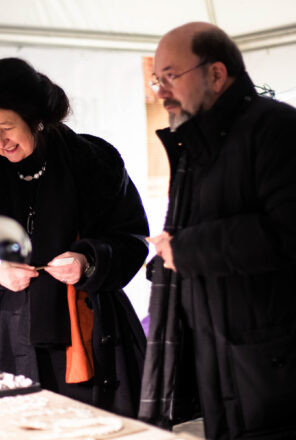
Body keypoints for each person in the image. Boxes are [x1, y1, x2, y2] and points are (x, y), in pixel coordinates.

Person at [0, 57, 149, 417]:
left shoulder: (95, 163)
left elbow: (131, 237)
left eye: (7, 127)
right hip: (3, 340)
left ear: (36, 119)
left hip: (91, 337)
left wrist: (88, 259)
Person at [138, 22, 296, 440]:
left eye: (170, 76)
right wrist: (166, 264)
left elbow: (286, 234)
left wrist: (185, 251)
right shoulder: (194, 145)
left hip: (274, 372)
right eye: (157, 79)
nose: (160, 90)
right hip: (219, 363)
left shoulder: (277, 129)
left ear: (216, 73)